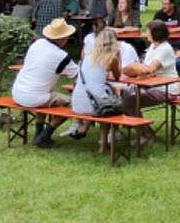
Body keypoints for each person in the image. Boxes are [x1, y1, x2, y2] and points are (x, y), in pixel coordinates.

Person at [11, 18, 79, 147]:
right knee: (72, 104)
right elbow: (78, 75)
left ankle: (39, 132)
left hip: (18, 92)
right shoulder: (61, 56)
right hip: (35, 97)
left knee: (46, 94)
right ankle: (44, 136)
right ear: (63, 38)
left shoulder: (38, 43)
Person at [122, 20, 180, 121]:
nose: (146, 33)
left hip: (166, 89)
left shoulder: (165, 49)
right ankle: (123, 128)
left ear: (154, 34)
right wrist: (133, 69)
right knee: (120, 95)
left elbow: (149, 69)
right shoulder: (153, 46)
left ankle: (146, 133)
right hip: (151, 85)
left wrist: (133, 66)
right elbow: (143, 68)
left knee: (129, 100)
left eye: (148, 31)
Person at [70, 28, 124, 145]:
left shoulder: (87, 56)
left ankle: (84, 127)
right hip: (96, 106)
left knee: (98, 97)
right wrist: (118, 57)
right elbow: (118, 76)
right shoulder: (111, 58)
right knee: (111, 101)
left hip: (77, 104)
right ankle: (106, 140)